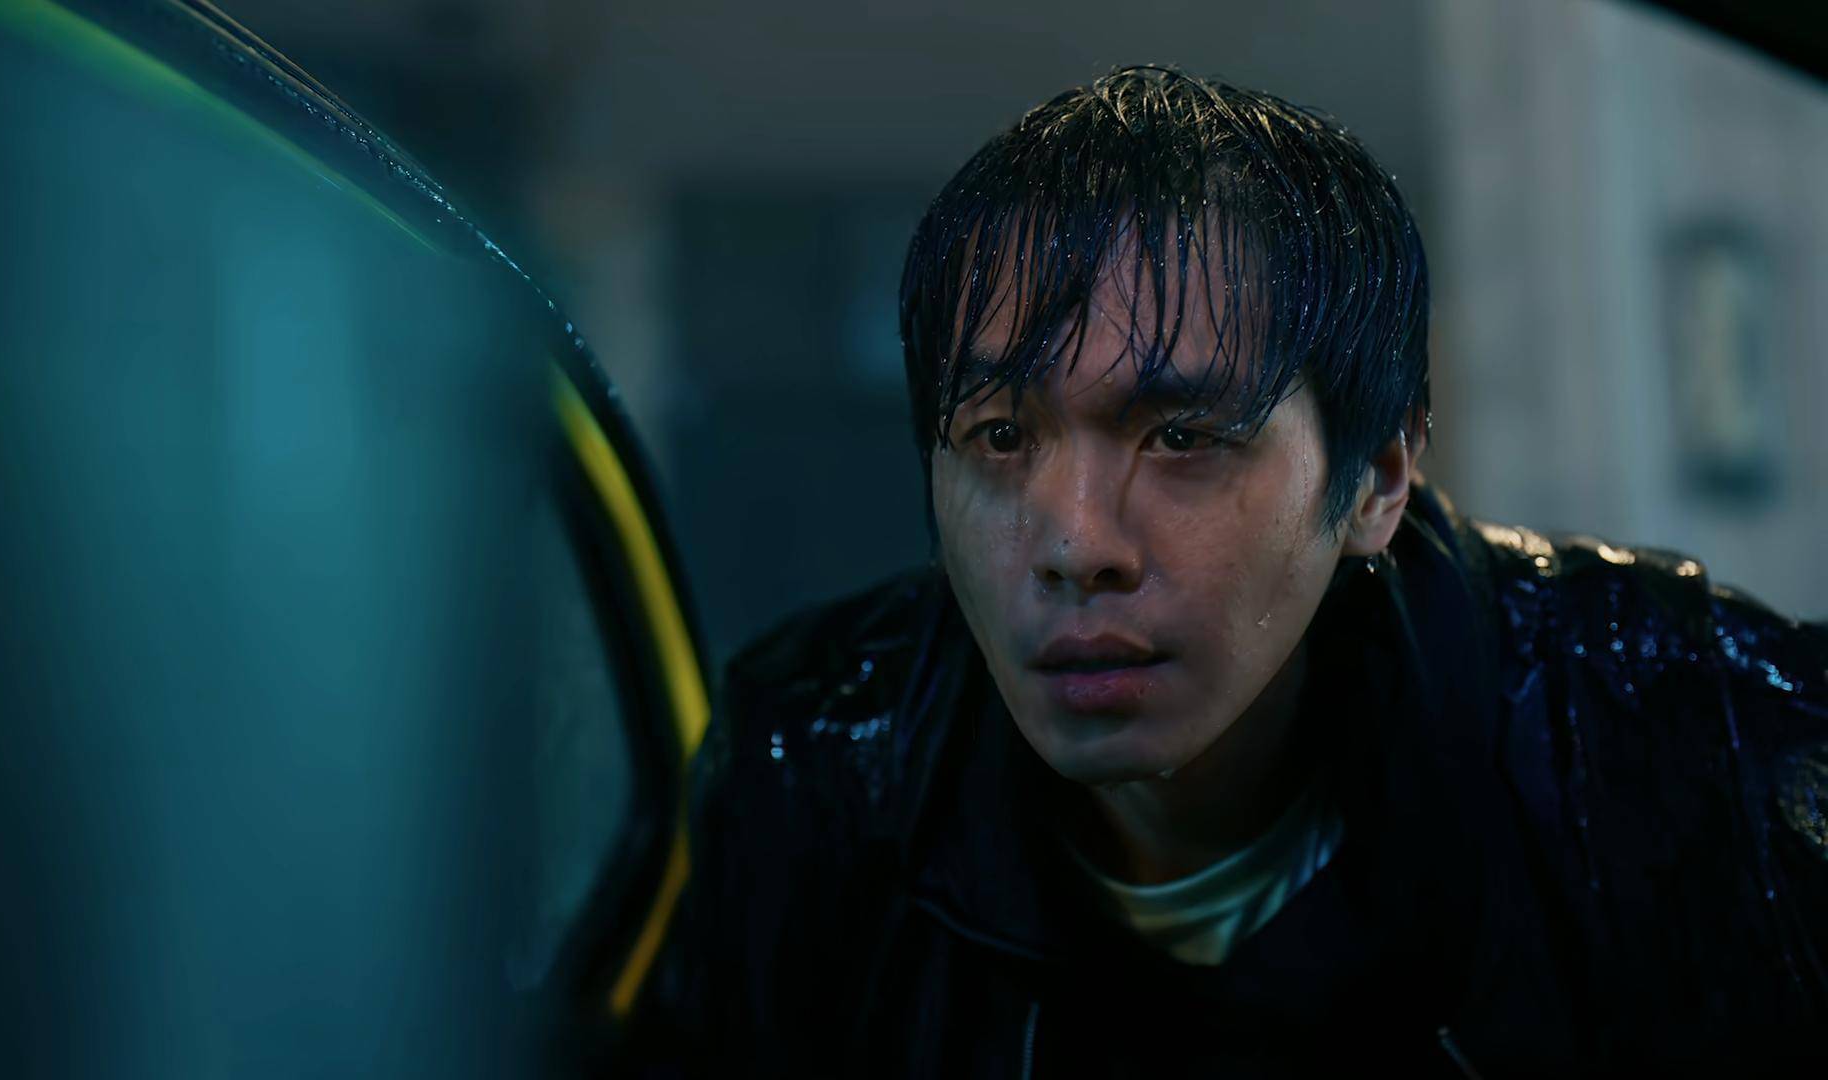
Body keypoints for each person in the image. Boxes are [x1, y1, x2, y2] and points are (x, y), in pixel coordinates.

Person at [635, 66, 1828, 1075]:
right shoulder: (823, 767)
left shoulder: (1670, 740)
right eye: (1000, 436)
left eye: (1181, 437)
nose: (1076, 546)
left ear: (1379, 478)